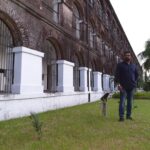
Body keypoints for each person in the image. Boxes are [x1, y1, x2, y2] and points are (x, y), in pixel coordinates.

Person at [115, 51, 139, 121]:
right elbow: (117, 75)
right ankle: (121, 117)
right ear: (124, 56)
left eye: (129, 55)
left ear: (131, 57)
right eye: (126, 55)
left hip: (131, 87)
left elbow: (136, 75)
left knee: (130, 102)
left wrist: (134, 81)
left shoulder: (133, 66)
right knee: (122, 102)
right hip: (123, 87)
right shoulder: (120, 65)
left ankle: (128, 115)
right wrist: (118, 84)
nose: (127, 56)